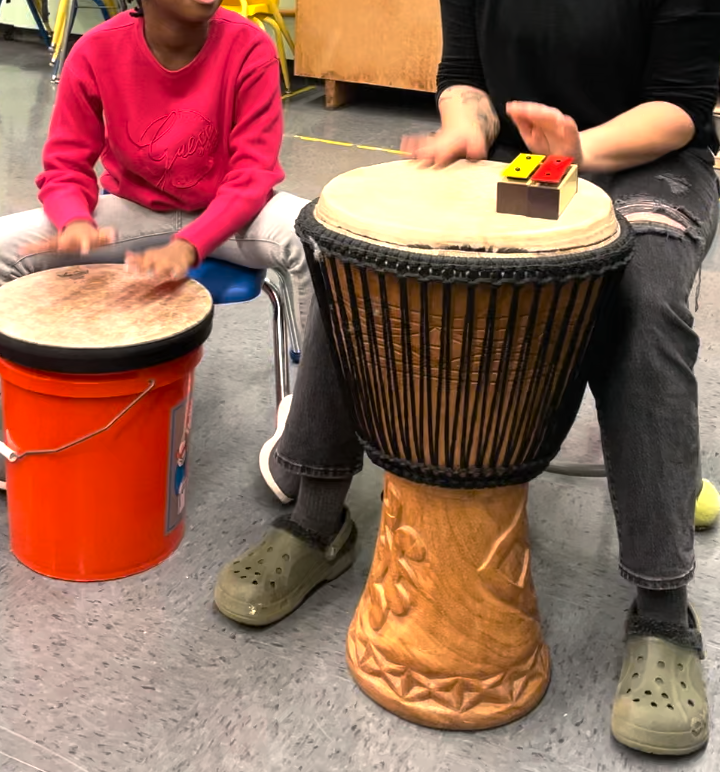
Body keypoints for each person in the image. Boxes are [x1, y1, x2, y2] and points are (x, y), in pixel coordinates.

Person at [215, 0, 720, 757]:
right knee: (369, 256)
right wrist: (467, 126)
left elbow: (678, 107)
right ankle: (317, 519)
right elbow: (464, 79)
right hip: (526, 162)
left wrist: (578, 150)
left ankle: (663, 609)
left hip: (650, 168)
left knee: (642, 299)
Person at [0, 0, 310, 491]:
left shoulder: (249, 46)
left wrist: (192, 244)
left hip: (231, 215)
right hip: (136, 211)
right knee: (0, 246)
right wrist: (74, 219)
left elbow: (252, 173)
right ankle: (13, 424)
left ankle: (310, 430)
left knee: (314, 235)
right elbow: (65, 165)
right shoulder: (96, 51)